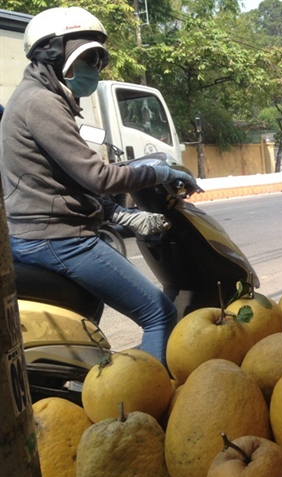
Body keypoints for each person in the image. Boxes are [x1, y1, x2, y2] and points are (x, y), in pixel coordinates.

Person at [0, 6, 201, 367]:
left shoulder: (41, 96)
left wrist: (122, 212)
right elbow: (99, 178)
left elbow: (67, 176)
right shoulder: (41, 102)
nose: (96, 69)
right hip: (59, 239)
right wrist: (160, 173)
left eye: (99, 59)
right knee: (159, 315)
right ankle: (149, 408)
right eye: (90, 58)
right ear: (55, 55)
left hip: (43, 234)